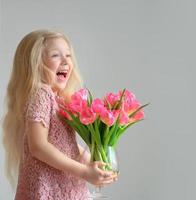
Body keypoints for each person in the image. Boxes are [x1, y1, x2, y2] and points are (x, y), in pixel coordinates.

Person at [2, 30, 117, 199]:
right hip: (46, 188)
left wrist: (91, 161)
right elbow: (38, 146)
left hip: (63, 188)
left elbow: (64, 144)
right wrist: (84, 171)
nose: (65, 61)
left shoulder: (59, 99)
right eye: (56, 55)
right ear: (36, 63)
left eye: (68, 56)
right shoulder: (42, 93)